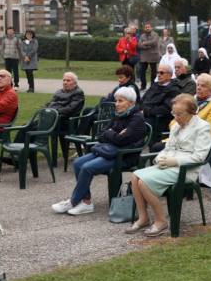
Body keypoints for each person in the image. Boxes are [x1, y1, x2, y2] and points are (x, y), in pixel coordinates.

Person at [129, 94, 211, 237]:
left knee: (144, 183)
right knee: (134, 177)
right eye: (174, 113)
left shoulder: (202, 127)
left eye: (179, 114)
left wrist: (175, 161)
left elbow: (200, 156)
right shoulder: (176, 126)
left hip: (186, 170)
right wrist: (160, 158)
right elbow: (168, 148)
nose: (176, 117)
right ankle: (143, 218)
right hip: (169, 165)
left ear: (192, 112)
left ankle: (161, 221)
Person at [52, 87, 145, 216]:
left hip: (123, 157)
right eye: (116, 101)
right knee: (78, 162)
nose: (116, 104)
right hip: (108, 151)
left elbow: (121, 140)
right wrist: (113, 134)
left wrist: (112, 134)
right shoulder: (117, 115)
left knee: (87, 167)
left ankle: (74, 201)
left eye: (120, 101)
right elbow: (100, 134)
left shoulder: (137, 119)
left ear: (131, 103)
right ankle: (86, 202)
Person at [45, 72, 86, 149]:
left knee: (33, 129)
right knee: (27, 127)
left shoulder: (78, 93)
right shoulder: (59, 91)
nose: (65, 82)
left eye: (68, 80)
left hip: (64, 122)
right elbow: (49, 104)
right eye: (64, 80)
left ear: (75, 83)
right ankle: (21, 151)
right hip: (52, 119)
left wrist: (53, 110)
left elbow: (70, 109)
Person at [136, 24, 160, 89]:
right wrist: (147, 46)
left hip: (153, 56)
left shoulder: (155, 34)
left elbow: (154, 42)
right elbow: (139, 44)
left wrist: (144, 43)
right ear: (144, 28)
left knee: (153, 72)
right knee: (142, 71)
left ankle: (152, 86)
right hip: (144, 56)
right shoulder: (142, 35)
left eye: (148, 27)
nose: (147, 28)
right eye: (146, 27)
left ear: (151, 28)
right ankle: (143, 86)